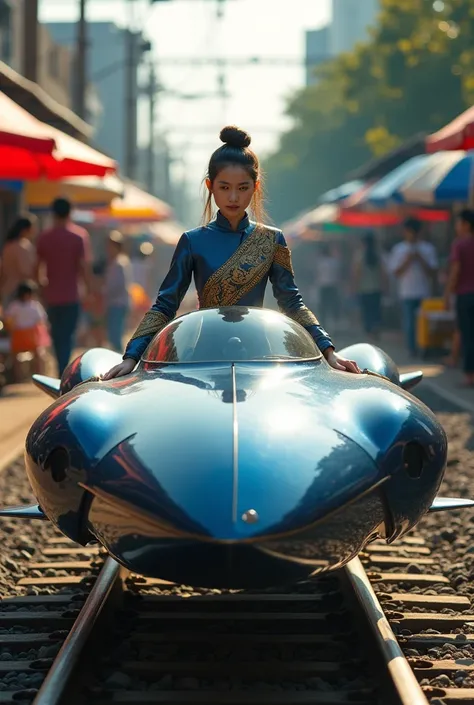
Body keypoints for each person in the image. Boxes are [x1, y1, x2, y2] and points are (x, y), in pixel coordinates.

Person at [103, 126, 360, 380]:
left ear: (255, 187)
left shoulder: (272, 240)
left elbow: (291, 302)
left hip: (260, 354)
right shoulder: (192, 241)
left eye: (243, 187)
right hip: (202, 356)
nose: (234, 197)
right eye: (224, 187)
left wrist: (329, 352)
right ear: (210, 185)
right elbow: (166, 304)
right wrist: (131, 357)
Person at [35, 197, 92, 376]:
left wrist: (41, 287)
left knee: (56, 335)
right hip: (71, 294)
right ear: (70, 212)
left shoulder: (44, 238)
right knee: (68, 335)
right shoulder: (78, 236)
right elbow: (83, 268)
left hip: (50, 296)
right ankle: (63, 370)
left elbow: (36, 268)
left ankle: (61, 368)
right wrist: (90, 290)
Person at [389, 217, 438, 357]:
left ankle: (424, 348)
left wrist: (420, 258)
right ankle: (412, 349)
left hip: (423, 292)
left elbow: (432, 272)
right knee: (410, 324)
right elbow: (396, 272)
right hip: (407, 292)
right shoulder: (399, 249)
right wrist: (408, 260)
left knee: (424, 325)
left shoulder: (427, 248)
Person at [444, 209, 474, 387]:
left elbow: (455, 272)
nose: (456, 227)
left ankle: (469, 375)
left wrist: (447, 294)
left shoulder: (459, 244)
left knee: (467, 334)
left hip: (464, 295)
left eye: (458, 223)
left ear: (466, 225)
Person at [4, 281, 49, 379]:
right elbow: (42, 320)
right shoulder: (35, 306)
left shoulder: (14, 306)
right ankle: (41, 376)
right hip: (32, 336)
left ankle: (19, 378)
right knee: (39, 354)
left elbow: (8, 320)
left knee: (16, 357)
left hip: (19, 336)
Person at [0, 215, 37, 309]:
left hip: (7, 290)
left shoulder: (7, 246)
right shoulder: (24, 246)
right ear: (25, 230)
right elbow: (26, 270)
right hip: (23, 292)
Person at [352, 232, 384, 340]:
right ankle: (375, 329)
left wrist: (354, 287)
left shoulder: (360, 256)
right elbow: (383, 273)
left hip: (364, 289)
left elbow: (357, 273)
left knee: (366, 312)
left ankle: (369, 332)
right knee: (375, 310)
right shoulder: (378, 255)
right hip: (376, 288)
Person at [105, 231, 132, 352]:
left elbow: (119, 285)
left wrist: (105, 292)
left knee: (116, 335)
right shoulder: (115, 262)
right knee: (114, 335)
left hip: (118, 303)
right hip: (114, 303)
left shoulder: (119, 263)